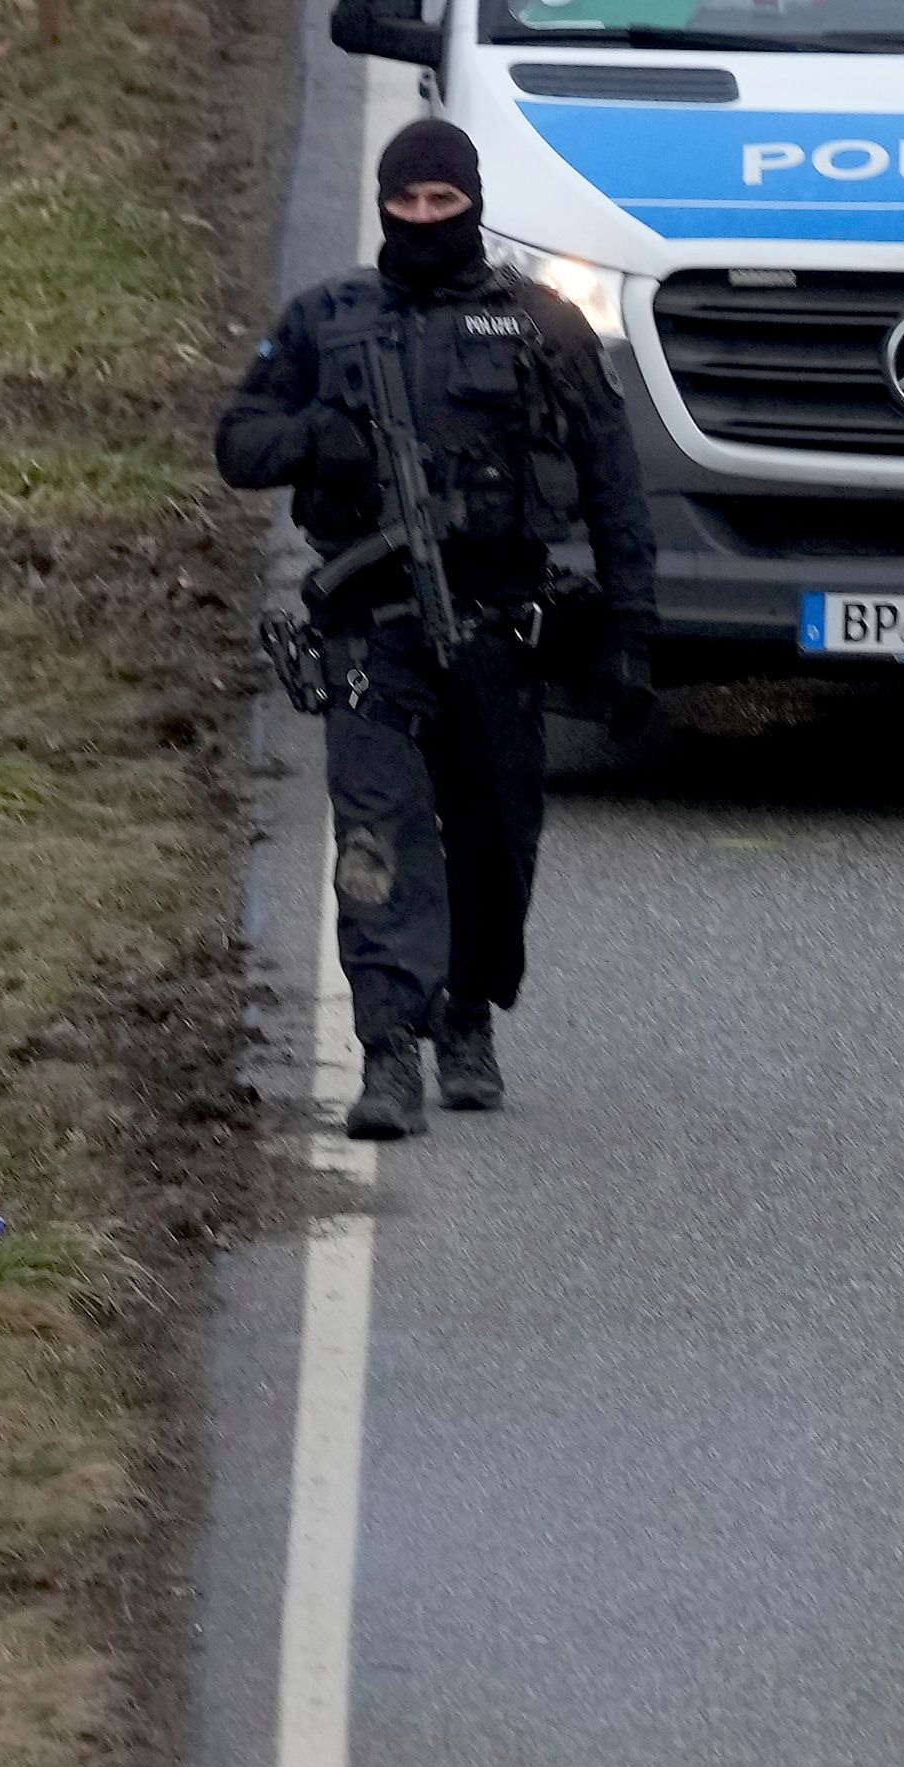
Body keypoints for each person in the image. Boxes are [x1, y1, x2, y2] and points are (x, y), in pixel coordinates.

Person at [219, 119, 646, 1143]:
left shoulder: (542, 324)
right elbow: (239, 439)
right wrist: (318, 435)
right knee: (378, 841)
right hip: (371, 640)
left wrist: (633, 633)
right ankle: (388, 1051)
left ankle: (467, 1013)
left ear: (473, 204)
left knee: (497, 849)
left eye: (442, 204)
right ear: (381, 204)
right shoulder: (328, 319)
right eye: (404, 203)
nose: (422, 220)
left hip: (501, 634)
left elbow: (613, 481)